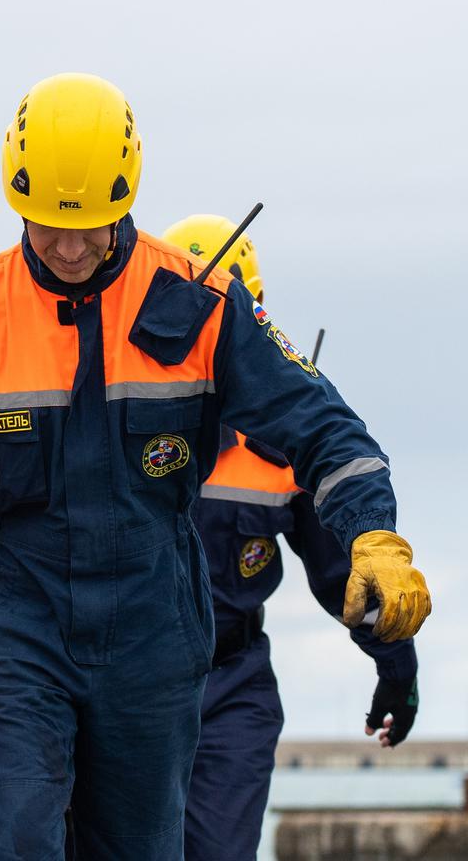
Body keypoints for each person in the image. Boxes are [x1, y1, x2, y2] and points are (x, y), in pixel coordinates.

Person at [0, 72, 431, 860]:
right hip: (20, 624)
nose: (71, 247)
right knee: (25, 840)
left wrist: (374, 538)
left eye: (90, 225)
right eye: (49, 226)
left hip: (153, 629)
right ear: (16, 198)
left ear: (127, 198)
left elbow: (322, 426)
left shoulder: (203, 305)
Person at [162, 214, 420, 861]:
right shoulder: (124, 421)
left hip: (233, 687)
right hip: (126, 679)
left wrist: (397, 665)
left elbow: (343, 574)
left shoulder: (284, 448)